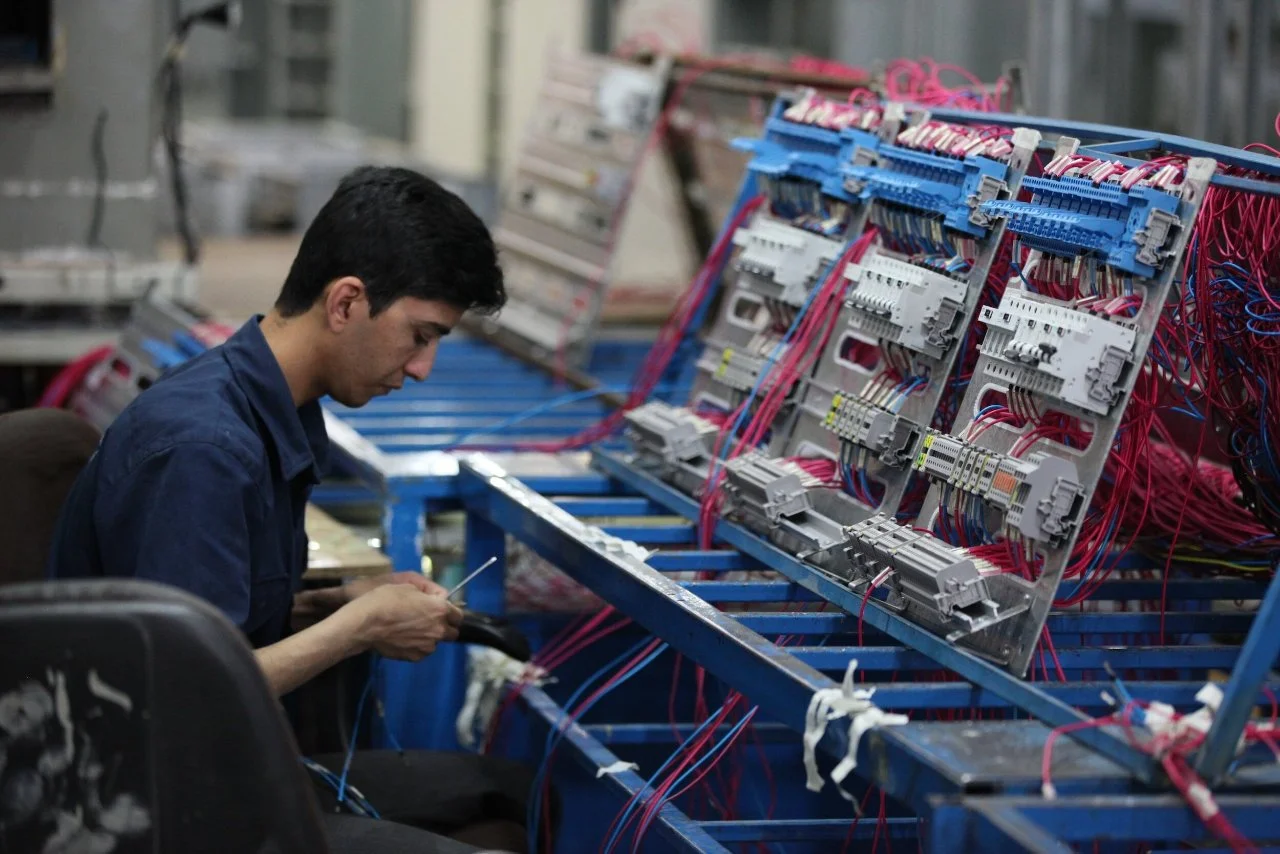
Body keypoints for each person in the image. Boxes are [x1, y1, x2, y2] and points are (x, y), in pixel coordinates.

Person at [48, 166, 533, 853]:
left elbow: (214, 620)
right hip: (148, 802)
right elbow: (185, 692)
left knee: (513, 791)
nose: (422, 367)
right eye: (419, 335)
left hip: (218, 764)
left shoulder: (268, 406)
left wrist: (338, 601)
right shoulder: (205, 449)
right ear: (345, 304)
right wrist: (360, 628)